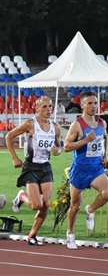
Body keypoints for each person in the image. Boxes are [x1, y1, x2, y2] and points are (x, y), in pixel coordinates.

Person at [5, 96, 62, 246]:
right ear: (37, 109)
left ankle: (32, 235)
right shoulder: (30, 124)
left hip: (45, 167)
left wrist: (58, 150)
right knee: (36, 205)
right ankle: (22, 196)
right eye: (44, 107)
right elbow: (8, 136)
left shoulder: (55, 126)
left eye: (50, 106)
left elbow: (58, 144)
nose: (48, 109)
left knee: (46, 205)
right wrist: (14, 158)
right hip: (30, 167)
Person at [64, 90, 108, 250]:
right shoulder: (77, 125)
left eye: (95, 103)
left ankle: (90, 210)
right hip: (80, 170)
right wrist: (84, 140)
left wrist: (105, 155)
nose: (93, 106)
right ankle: (70, 234)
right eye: (89, 103)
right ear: (82, 105)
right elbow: (66, 147)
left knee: (106, 193)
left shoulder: (102, 123)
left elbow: (104, 140)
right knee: (74, 206)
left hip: (96, 168)